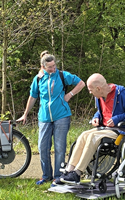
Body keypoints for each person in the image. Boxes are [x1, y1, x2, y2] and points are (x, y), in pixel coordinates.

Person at [16, 51, 86, 185]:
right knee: (43, 148)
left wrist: (70, 94)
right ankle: (46, 175)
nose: (53, 68)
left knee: (60, 148)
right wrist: (25, 114)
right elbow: (32, 97)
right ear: (43, 67)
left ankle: (58, 176)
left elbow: (81, 83)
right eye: (50, 67)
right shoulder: (38, 79)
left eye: (54, 66)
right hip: (44, 118)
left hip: (62, 116)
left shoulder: (62, 75)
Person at [59, 73, 125, 185]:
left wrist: (117, 118)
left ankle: (77, 173)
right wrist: (96, 117)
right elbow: (100, 111)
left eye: (90, 90)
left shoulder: (121, 94)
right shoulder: (99, 96)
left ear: (98, 88)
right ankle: (69, 171)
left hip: (121, 130)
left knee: (92, 136)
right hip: (105, 128)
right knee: (83, 135)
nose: (89, 92)